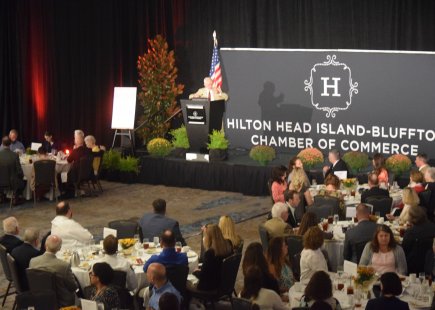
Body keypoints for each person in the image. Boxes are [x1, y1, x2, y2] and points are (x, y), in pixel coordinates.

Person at [29, 235, 78, 307]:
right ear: (59, 248)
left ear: (45, 245)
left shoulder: (33, 261)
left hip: (39, 300)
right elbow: (73, 287)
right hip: (61, 303)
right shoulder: (64, 266)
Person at [194, 224, 233, 291]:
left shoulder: (210, 253)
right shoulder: (228, 244)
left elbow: (203, 276)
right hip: (225, 284)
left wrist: (195, 272)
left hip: (211, 287)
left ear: (208, 237)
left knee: (186, 280)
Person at [401, 206, 435, 274]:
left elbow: (404, 250)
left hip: (414, 265)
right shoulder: (433, 226)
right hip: (431, 263)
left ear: (411, 218)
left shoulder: (410, 232)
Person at [61, 129, 91, 198]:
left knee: (63, 173)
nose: (74, 139)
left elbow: (68, 160)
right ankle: (77, 189)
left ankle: (68, 191)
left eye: (75, 138)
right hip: (87, 173)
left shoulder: (76, 151)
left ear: (77, 140)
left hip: (76, 175)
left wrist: (74, 150)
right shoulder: (88, 150)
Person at [0, 136, 25, 205]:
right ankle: (15, 198)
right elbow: (19, 171)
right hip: (12, 183)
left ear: (2, 143)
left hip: (1, 181)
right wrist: (22, 176)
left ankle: (2, 196)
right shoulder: (15, 155)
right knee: (23, 181)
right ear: (10, 144)